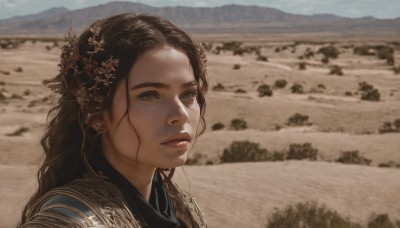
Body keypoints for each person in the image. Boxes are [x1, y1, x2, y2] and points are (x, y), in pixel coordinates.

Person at [18, 13, 208, 228]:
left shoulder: (180, 208)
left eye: (188, 93)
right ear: (94, 111)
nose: (180, 114)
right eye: (149, 95)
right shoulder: (67, 222)